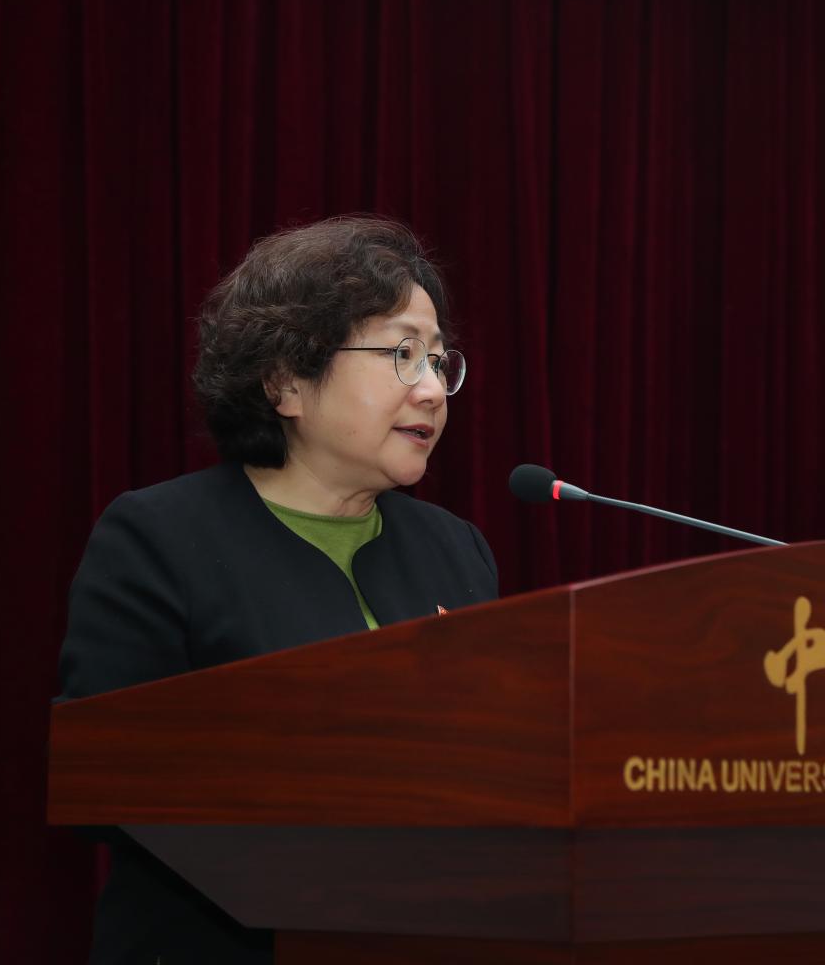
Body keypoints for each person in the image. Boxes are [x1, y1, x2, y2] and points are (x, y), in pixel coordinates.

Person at [57, 216, 497, 964]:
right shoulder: (159, 539)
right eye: (401, 354)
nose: (431, 390)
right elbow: (102, 783)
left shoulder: (456, 551)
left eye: (437, 360)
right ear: (286, 380)